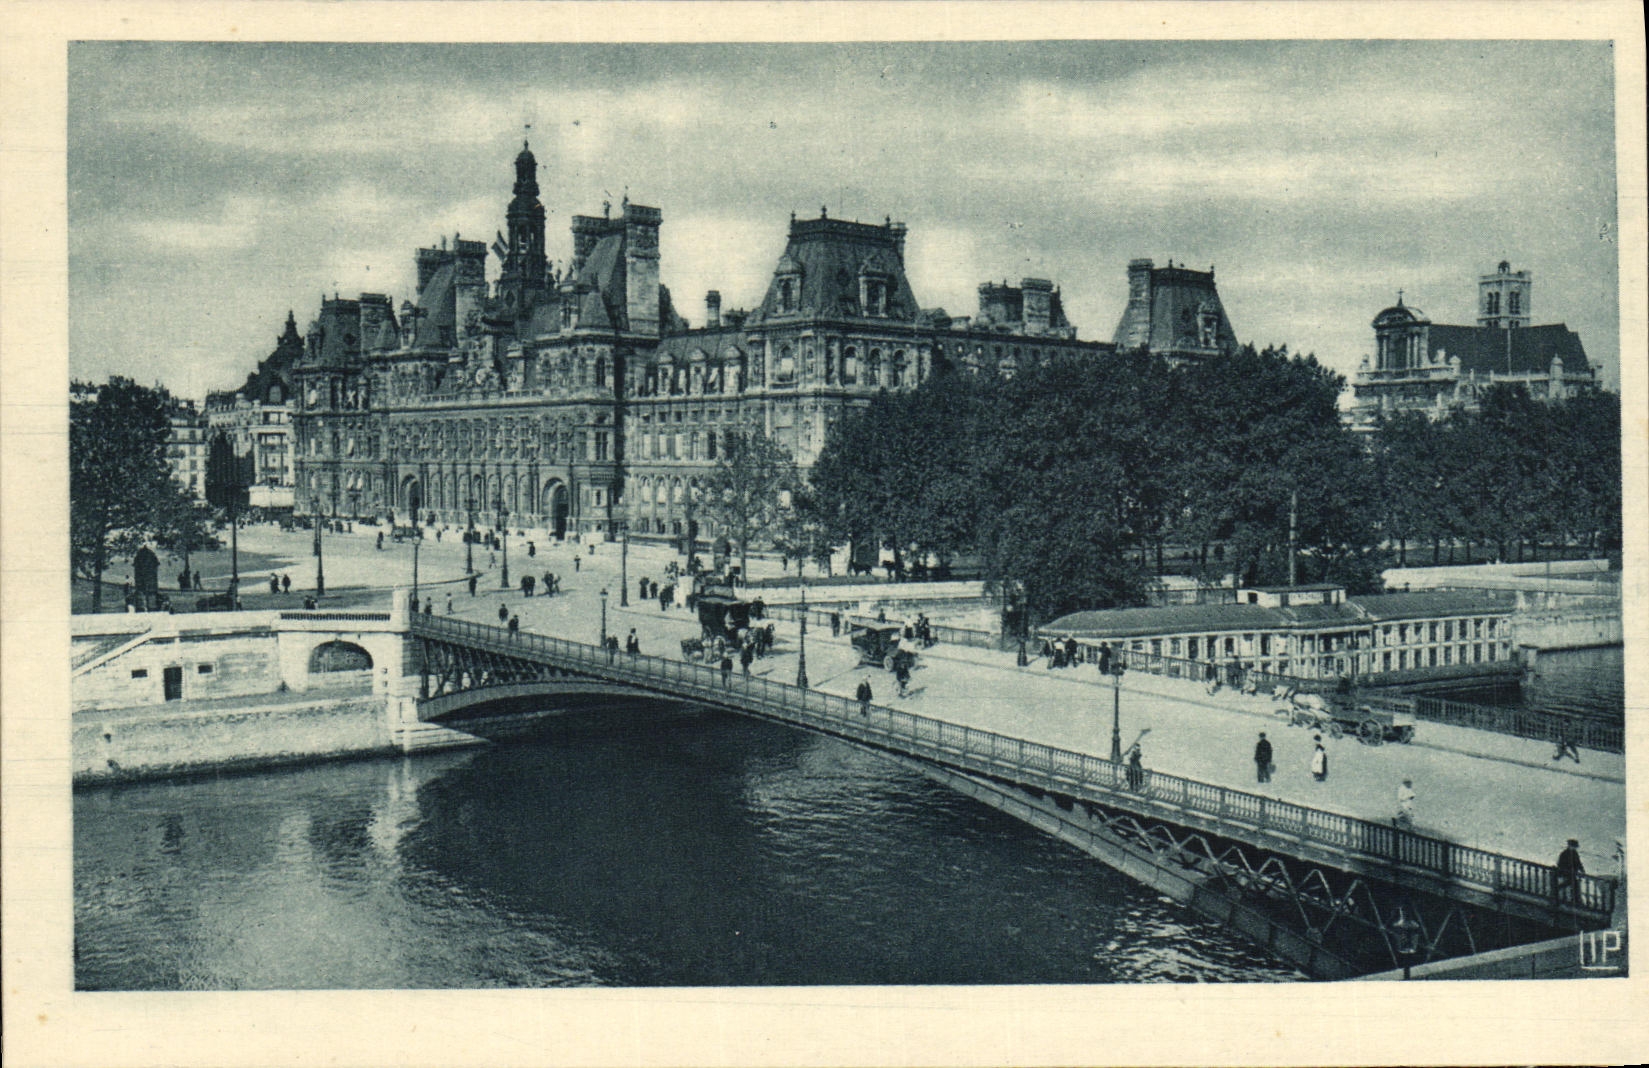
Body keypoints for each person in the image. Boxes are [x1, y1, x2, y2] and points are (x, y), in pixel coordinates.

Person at [1555, 838, 1585, 906]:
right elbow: (1560, 864)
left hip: (1572, 873)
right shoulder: (1564, 854)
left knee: (1574, 884)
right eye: (1573, 847)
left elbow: (1578, 863)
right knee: (1573, 883)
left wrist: (1582, 870)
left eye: (1575, 847)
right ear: (1569, 846)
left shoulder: (1575, 853)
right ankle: (1575, 899)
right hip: (1565, 873)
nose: (1574, 848)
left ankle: (1575, 899)